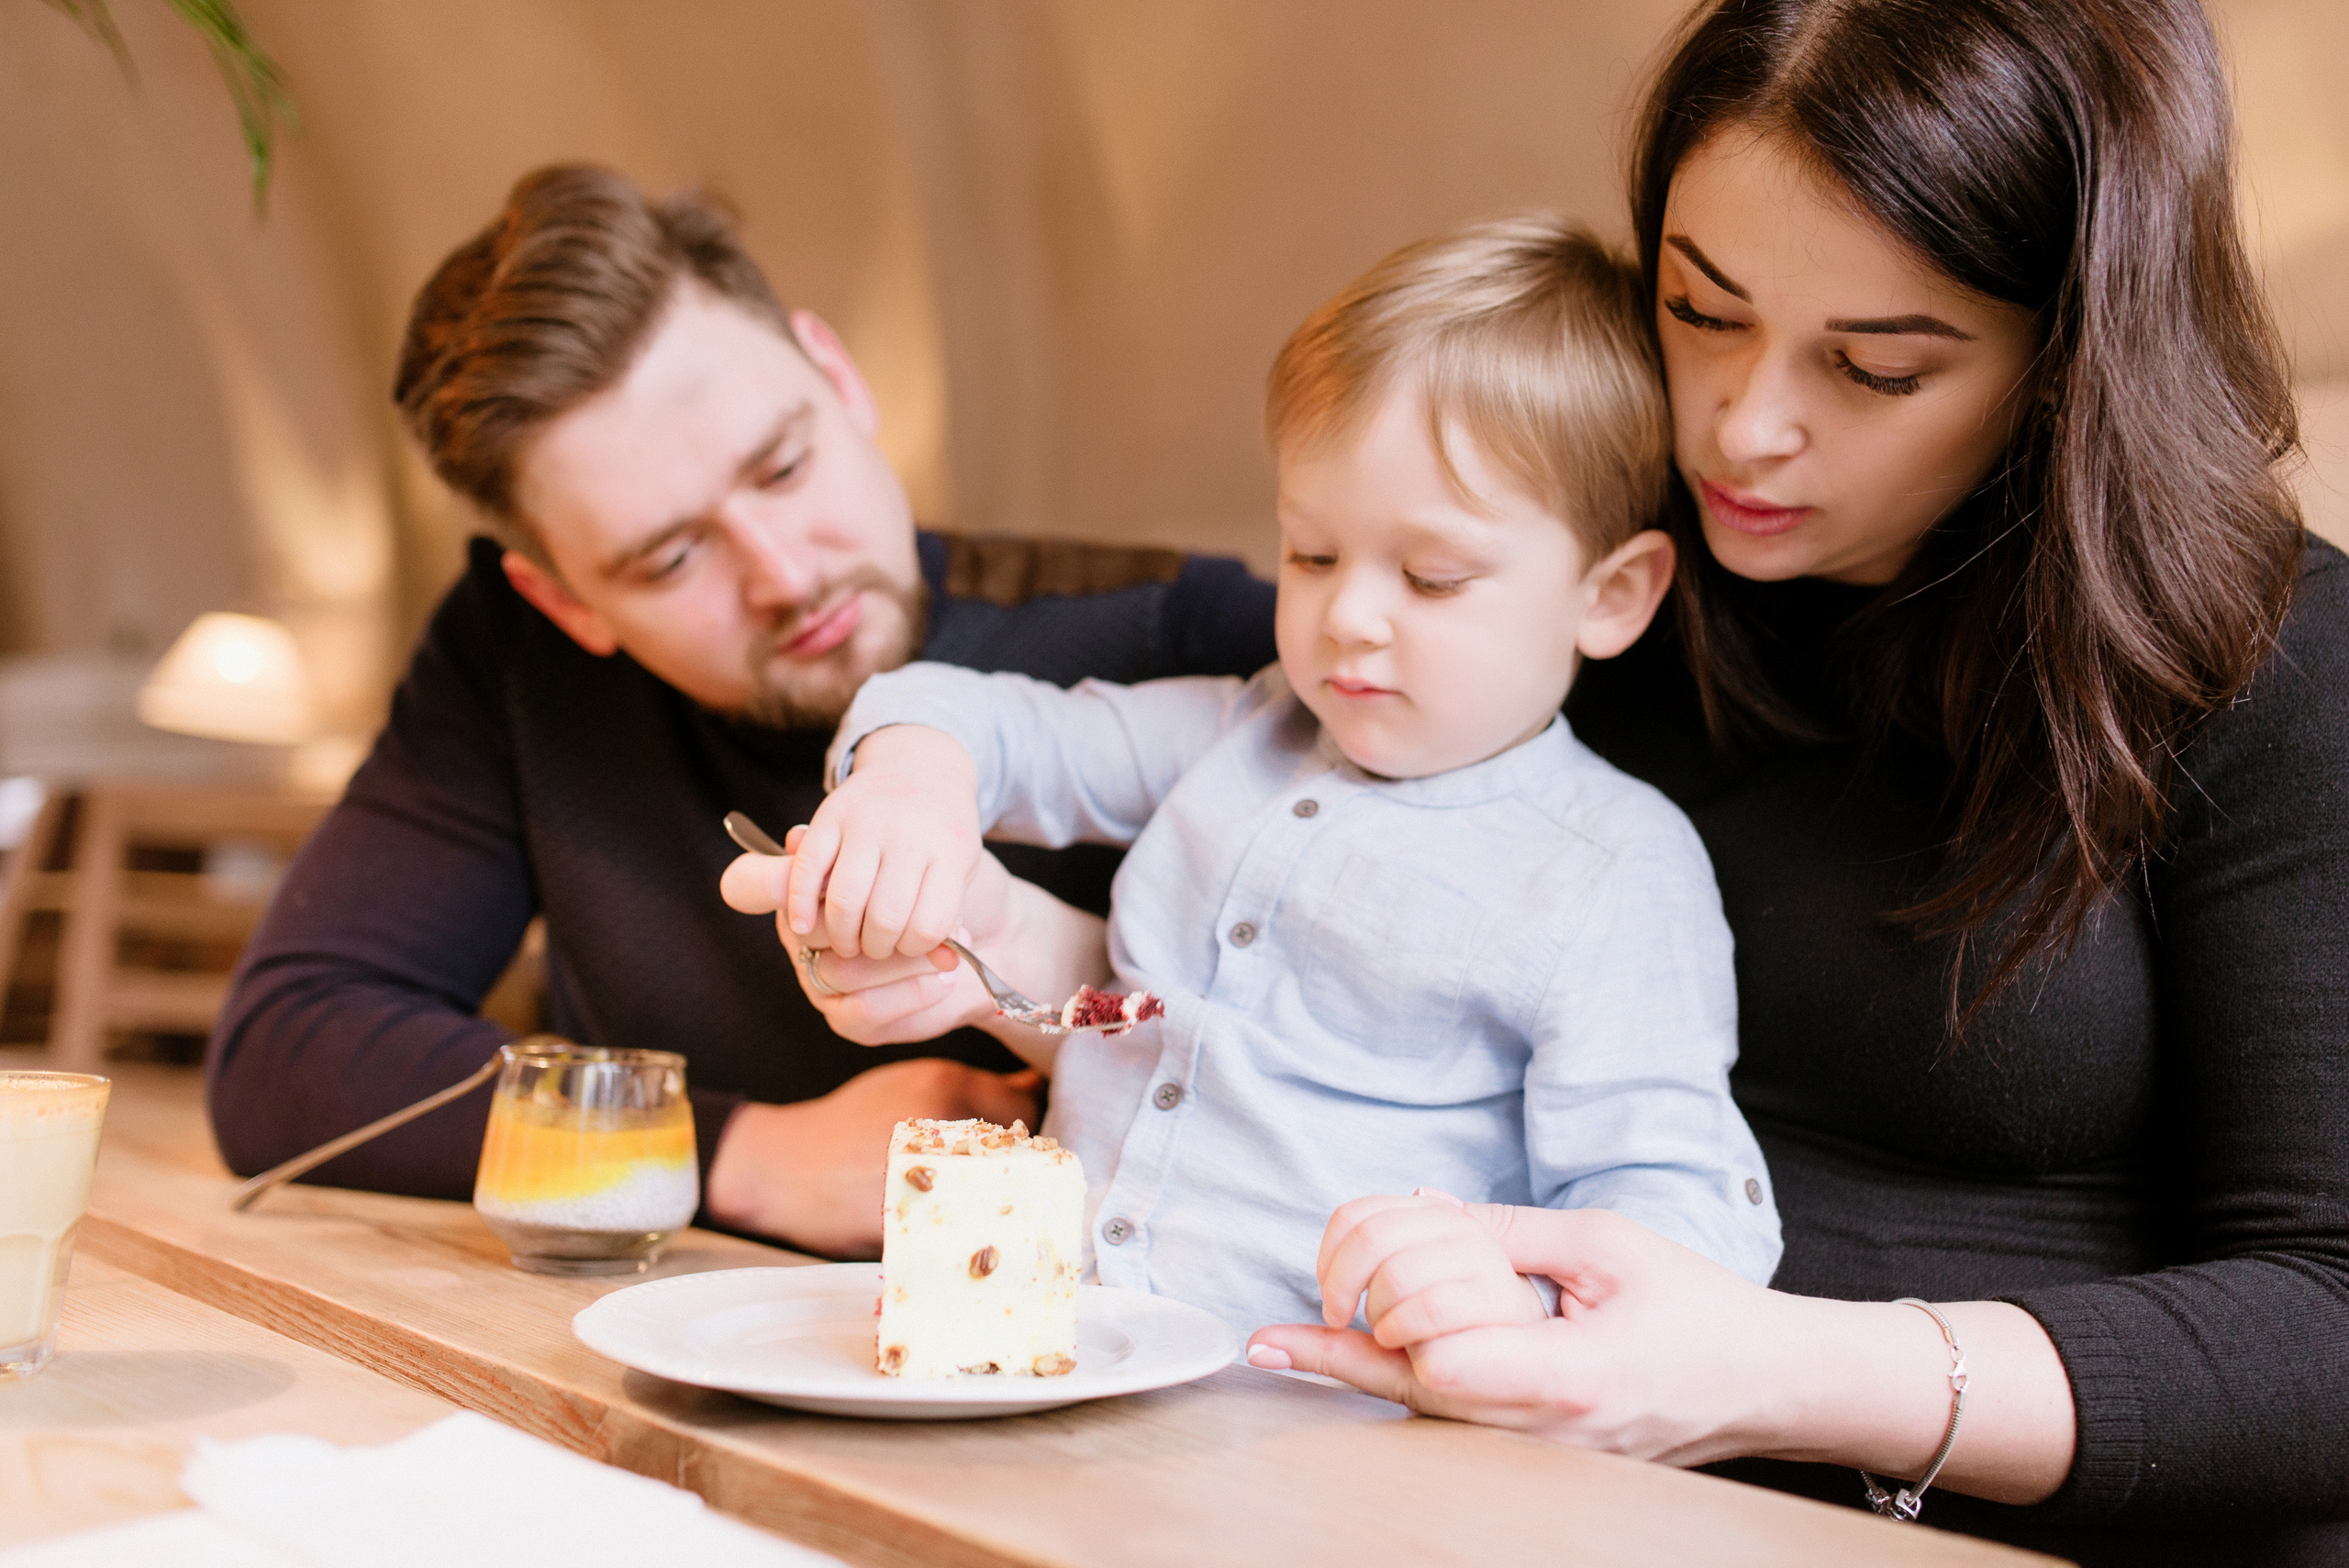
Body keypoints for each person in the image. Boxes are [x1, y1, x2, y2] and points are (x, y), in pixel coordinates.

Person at [1242, 2, 2349, 1562]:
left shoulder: (2273, 663)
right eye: (1700, 310)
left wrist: (1762, 1374)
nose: (1743, 428)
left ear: (2065, 362)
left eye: (1876, 367)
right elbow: (1177, 657)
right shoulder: (1598, 574)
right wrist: (929, 767)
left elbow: (2329, 1324)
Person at [722, 216, 1783, 1336]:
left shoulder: (1614, 867)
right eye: (1312, 554)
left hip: (1337, 1410)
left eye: (1431, 576)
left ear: (1608, 596)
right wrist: (911, 787)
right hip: (1067, 1344)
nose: (1348, 614)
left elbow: (1684, 1208)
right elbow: (964, 710)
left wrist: (1510, 1295)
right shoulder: (1243, 731)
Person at [203, 164, 1275, 1258]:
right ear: (565, 600)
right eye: (670, 558)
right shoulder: (519, 660)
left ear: (838, 377)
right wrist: (742, 1157)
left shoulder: (1185, 636)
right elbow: (286, 1049)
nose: (783, 575)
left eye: (784, 466)